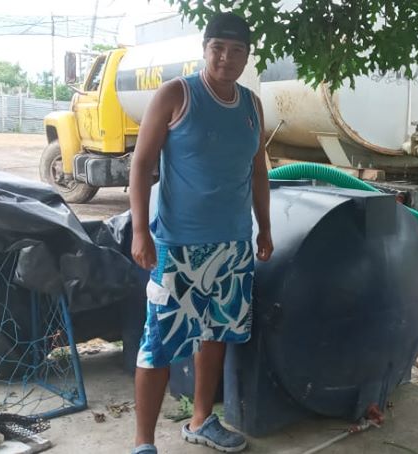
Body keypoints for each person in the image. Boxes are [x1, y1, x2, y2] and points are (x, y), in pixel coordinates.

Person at [127, 12, 272, 454]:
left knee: (216, 335)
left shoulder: (251, 105)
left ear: (247, 56)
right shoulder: (177, 94)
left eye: (236, 50)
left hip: (233, 246)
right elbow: (141, 164)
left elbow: (258, 171)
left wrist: (264, 228)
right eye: (217, 48)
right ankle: (144, 443)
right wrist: (140, 230)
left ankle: (201, 420)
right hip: (178, 247)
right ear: (205, 50)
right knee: (158, 344)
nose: (226, 58)